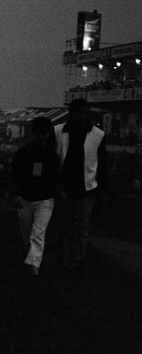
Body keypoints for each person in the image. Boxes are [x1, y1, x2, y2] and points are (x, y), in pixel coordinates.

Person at [54, 99, 107, 273]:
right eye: (78, 113)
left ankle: (77, 261)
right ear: (71, 114)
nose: (82, 117)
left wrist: (101, 190)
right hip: (64, 188)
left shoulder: (98, 135)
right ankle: (63, 260)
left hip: (87, 189)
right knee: (64, 226)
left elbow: (102, 164)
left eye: (85, 113)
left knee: (81, 227)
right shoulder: (58, 132)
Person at [10, 117, 59, 276]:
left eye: (44, 134)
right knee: (27, 232)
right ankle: (31, 259)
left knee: (38, 232)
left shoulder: (53, 154)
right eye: (39, 134)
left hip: (45, 199)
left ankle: (34, 266)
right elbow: (15, 174)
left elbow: (56, 175)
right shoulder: (24, 152)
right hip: (25, 198)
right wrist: (16, 194)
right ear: (34, 133)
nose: (42, 137)